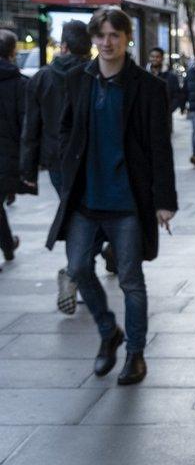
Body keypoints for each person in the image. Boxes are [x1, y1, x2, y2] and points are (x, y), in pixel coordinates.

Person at [46, 8, 177, 385]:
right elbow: (65, 128)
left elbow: (159, 147)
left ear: (126, 38)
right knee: (79, 268)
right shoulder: (78, 80)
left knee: (131, 280)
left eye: (114, 35)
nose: (107, 42)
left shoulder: (148, 88)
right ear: (93, 39)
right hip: (86, 200)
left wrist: (163, 200)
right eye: (100, 35)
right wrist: (66, 169)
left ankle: (135, 353)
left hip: (127, 202)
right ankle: (109, 332)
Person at [21, 20, 95, 313]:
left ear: (63, 46)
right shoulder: (93, 74)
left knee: (75, 213)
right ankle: (76, 270)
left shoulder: (40, 79)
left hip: (57, 161)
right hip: (91, 158)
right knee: (91, 214)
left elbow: (31, 127)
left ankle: (77, 269)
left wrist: (28, 171)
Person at [0, 29, 25, 266]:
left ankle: (7, 245)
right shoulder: (19, 83)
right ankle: (7, 245)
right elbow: (24, 122)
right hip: (7, 157)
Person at [147, 47, 184, 113]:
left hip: (164, 115)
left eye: (157, 57)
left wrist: (169, 110)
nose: (154, 59)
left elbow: (177, 95)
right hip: (146, 115)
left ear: (162, 58)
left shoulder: (171, 77)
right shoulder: (143, 75)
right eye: (152, 56)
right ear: (149, 58)